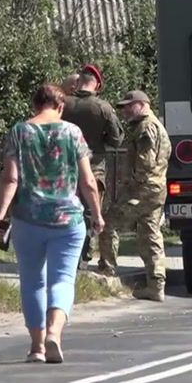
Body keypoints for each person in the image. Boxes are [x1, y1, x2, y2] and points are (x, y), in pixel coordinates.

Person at [0, 84, 103, 364]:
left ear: (34, 105)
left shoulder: (20, 131)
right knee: (62, 278)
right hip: (68, 220)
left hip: (28, 218)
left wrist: (0, 216)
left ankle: (37, 346)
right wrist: (97, 214)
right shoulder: (72, 132)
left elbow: (10, 179)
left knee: (32, 282)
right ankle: (54, 332)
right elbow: (87, 181)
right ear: (61, 106)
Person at [99, 90, 171, 301]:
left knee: (109, 223)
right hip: (156, 188)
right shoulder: (156, 125)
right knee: (150, 234)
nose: (125, 111)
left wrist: (132, 185)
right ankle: (156, 285)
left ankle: (107, 271)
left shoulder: (145, 127)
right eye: (123, 108)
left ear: (142, 104)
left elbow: (145, 163)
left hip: (142, 189)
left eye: (129, 106)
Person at [62, 67, 123, 268]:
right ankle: (83, 255)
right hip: (94, 166)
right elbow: (117, 140)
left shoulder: (62, 104)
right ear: (96, 84)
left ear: (78, 82)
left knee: (65, 209)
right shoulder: (103, 108)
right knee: (89, 213)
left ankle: (64, 253)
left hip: (63, 167)